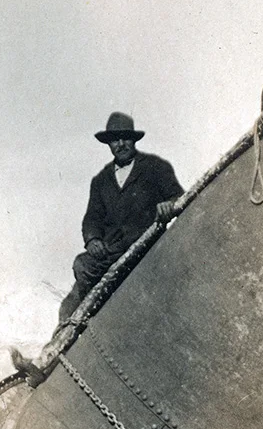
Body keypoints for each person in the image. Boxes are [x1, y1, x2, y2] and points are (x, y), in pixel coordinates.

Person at [59, 112, 183, 324]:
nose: (121, 144)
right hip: (111, 251)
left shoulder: (155, 167)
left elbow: (179, 197)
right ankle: (81, 328)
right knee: (81, 267)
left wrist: (168, 205)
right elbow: (92, 219)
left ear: (133, 139)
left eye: (125, 137)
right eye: (115, 139)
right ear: (108, 144)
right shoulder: (100, 181)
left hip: (148, 248)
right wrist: (93, 240)